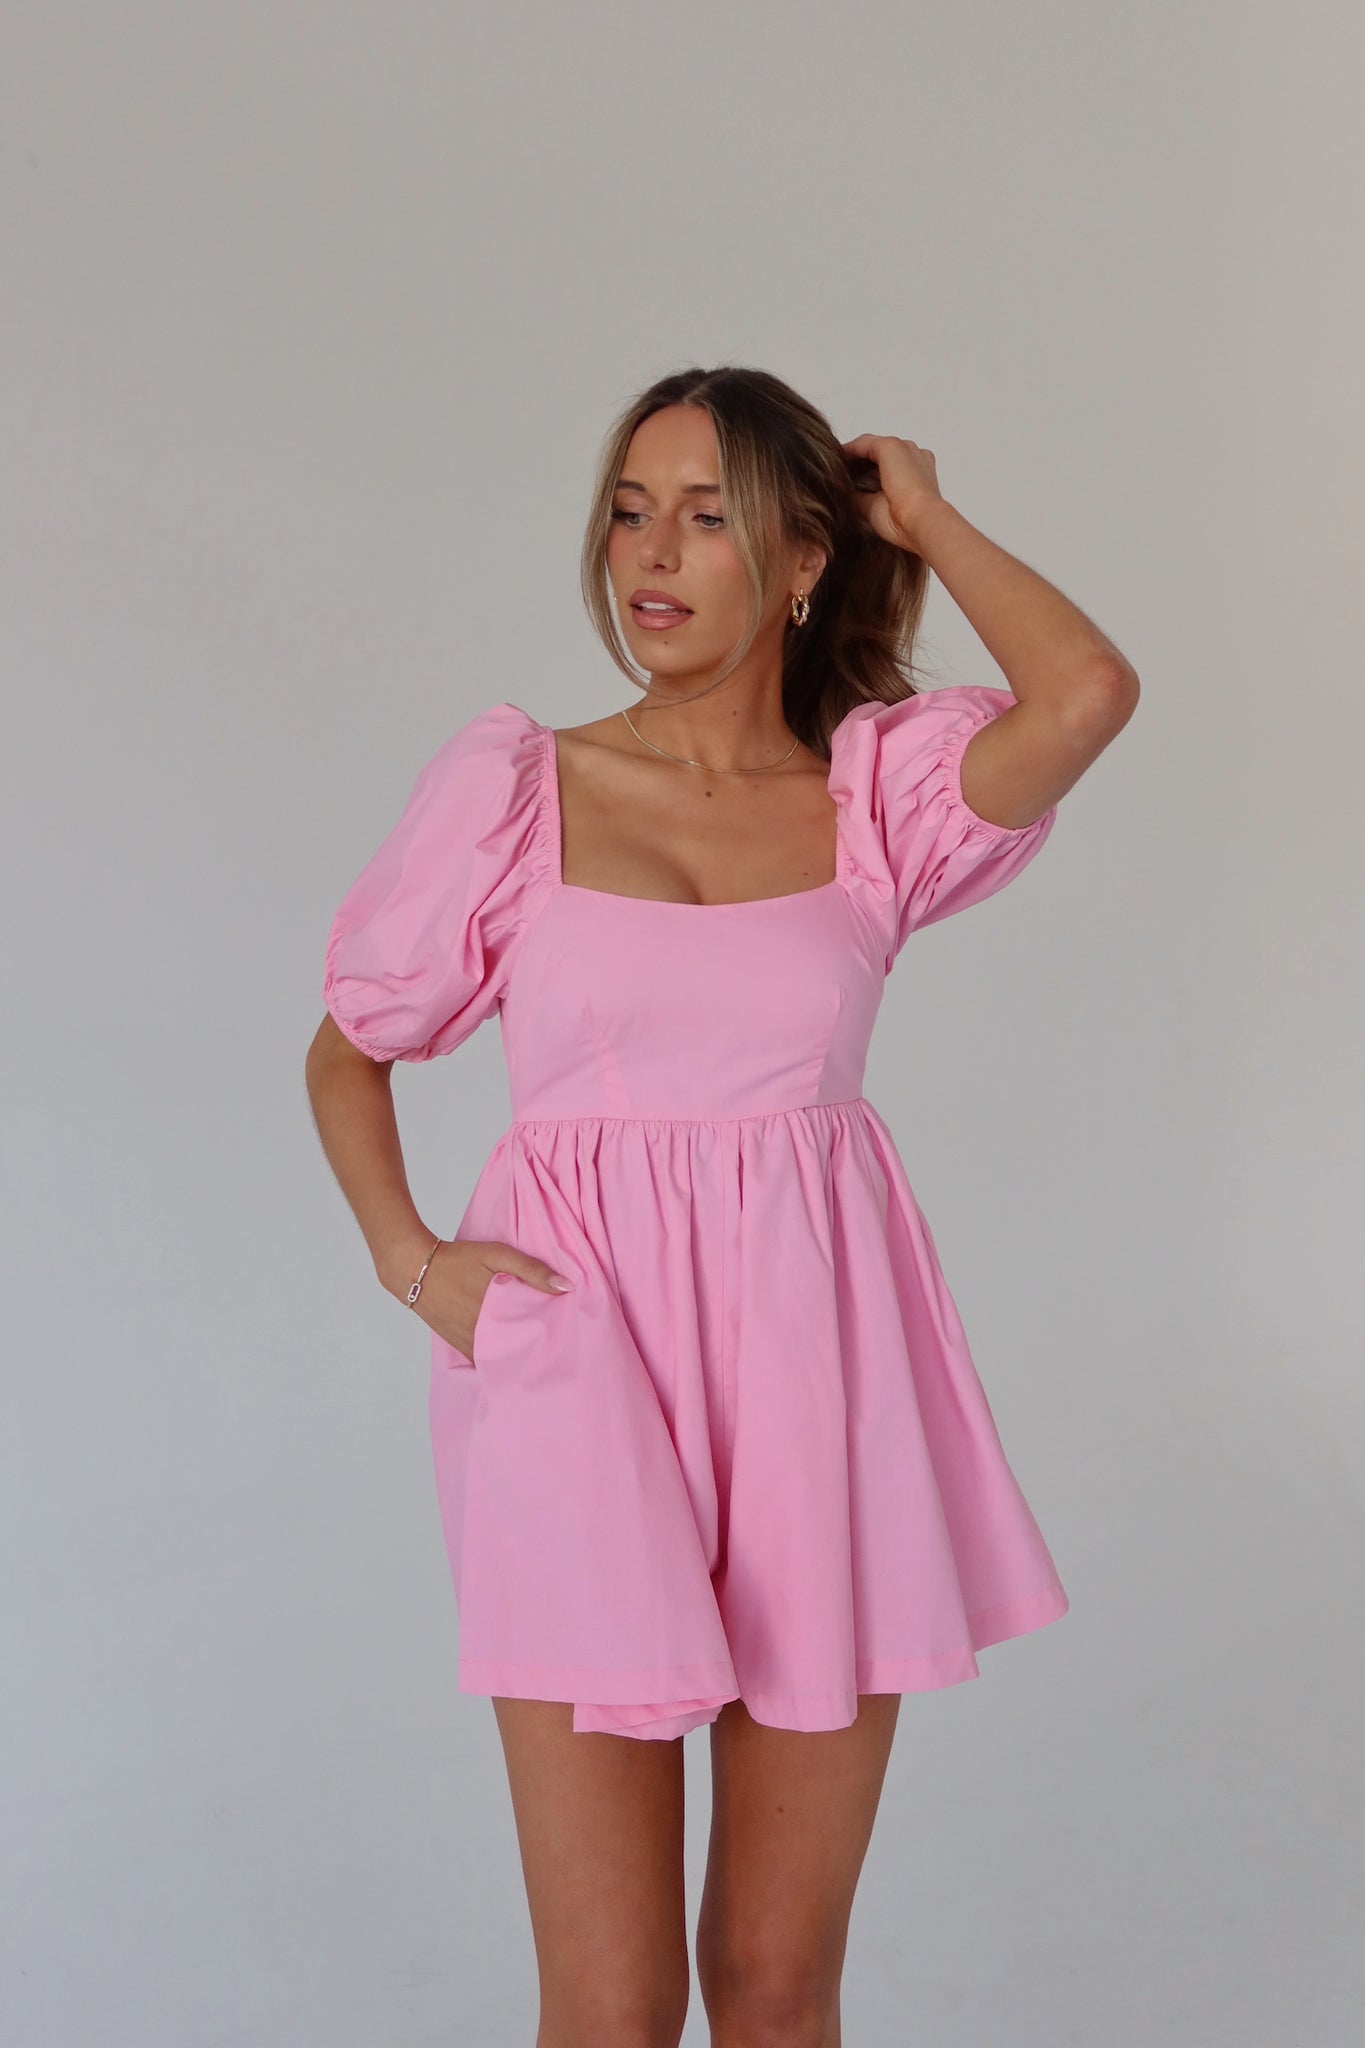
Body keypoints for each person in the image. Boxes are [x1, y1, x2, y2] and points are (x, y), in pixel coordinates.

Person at [305, 364, 1139, 2045]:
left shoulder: (872, 801)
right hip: (569, 1370)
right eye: (629, 511)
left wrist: (925, 517)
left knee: (770, 1981)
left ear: (805, 557)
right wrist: (415, 1262)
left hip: (814, 1382)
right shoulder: (520, 786)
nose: (649, 552)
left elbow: (1086, 694)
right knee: (612, 2007)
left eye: (705, 515)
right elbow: (347, 1050)